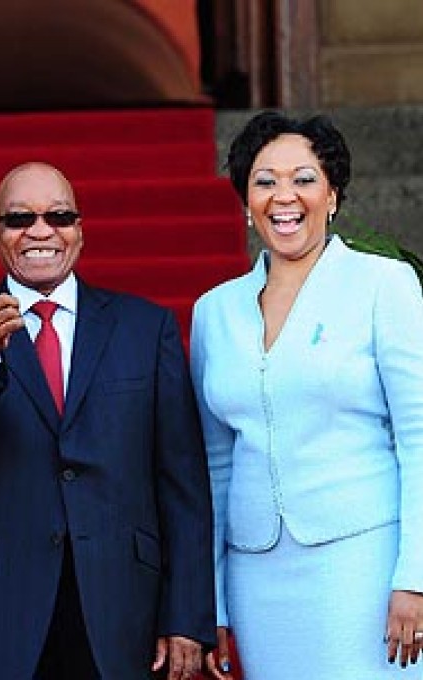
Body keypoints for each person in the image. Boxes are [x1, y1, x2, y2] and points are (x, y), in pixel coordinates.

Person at [0, 161, 216, 679]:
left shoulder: (144, 327)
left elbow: (182, 482)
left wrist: (188, 615)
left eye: (59, 216)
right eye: (20, 218)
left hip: (121, 603)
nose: (41, 230)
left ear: (80, 230)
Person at [190, 111, 423, 679]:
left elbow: (419, 438)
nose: (284, 196)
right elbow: (215, 466)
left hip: (363, 561)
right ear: (246, 201)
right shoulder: (213, 311)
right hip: (257, 575)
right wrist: (214, 603)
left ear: (333, 194)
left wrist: (414, 578)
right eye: (265, 181)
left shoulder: (383, 285)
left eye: (304, 178)